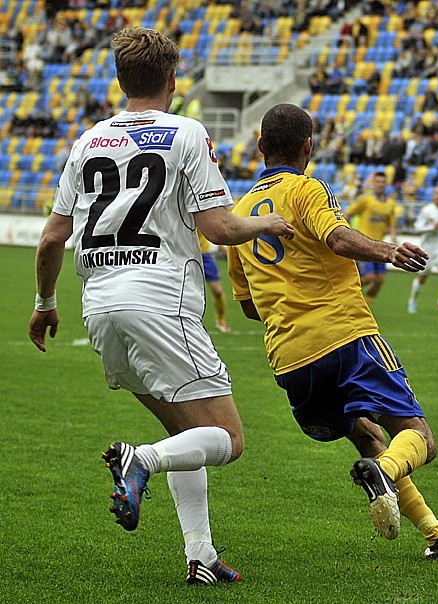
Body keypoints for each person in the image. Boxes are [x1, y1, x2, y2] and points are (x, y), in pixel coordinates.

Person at [27, 27, 295, 585]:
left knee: (186, 435)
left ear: (121, 81)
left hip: (98, 306)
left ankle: (200, 557)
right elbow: (220, 229)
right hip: (158, 300)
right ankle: (138, 461)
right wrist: (266, 221)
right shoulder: (187, 133)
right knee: (229, 439)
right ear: (174, 81)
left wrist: (44, 302)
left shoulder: (88, 141)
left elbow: (52, 239)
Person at [227, 103, 438, 561]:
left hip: (291, 362)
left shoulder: (241, 214)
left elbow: (249, 306)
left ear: (259, 146)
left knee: (368, 436)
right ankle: (385, 473)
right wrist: (388, 251)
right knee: (420, 439)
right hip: (345, 337)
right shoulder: (307, 189)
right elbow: (335, 237)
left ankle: (436, 533)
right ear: (308, 147)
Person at [344, 171, 397, 305]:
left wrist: (393, 236)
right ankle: (344, 293)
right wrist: (347, 232)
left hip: (379, 245)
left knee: (379, 280)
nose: (380, 184)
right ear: (373, 183)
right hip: (364, 244)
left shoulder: (390, 203)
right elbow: (348, 213)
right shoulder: (366, 200)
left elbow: (390, 223)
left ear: (386, 184)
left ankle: (365, 305)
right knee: (369, 277)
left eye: (383, 182)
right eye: (378, 182)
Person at [408, 184, 438, 315]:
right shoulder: (427, 210)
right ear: (433, 195)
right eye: (437, 193)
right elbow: (418, 228)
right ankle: (412, 301)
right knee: (422, 278)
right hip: (427, 249)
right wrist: (431, 227)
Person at [198, 230, 231, 333]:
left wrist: (220, 244)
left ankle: (221, 320)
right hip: (185, 255)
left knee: (218, 291)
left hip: (204, 254)